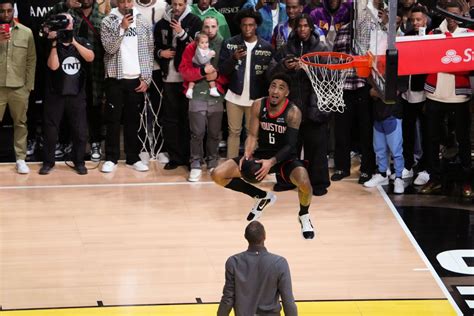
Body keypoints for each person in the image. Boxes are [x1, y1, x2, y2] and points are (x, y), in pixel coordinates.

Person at [211, 73, 315, 239]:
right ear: (268, 88)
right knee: (217, 174)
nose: (275, 90)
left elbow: (290, 146)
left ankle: (304, 215)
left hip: (284, 157)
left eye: (281, 88)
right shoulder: (258, 104)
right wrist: (247, 153)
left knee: (305, 183)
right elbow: (252, 135)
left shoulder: (293, 112)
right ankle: (261, 197)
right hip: (262, 154)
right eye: (273, 86)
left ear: (287, 93)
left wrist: (271, 162)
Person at [271, 14, 330, 196]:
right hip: (291, 108)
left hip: (314, 106)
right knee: (289, 147)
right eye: (299, 26)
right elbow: (270, 73)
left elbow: (329, 75)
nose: (302, 29)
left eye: (306, 26)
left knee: (316, 149)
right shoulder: (286, 48)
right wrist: (284, 66)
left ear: (311, 28)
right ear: (295, 28)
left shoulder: (321, 48)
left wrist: (308, 67)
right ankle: (286, 180)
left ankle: (318, 183)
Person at [46, 0, 106, 162]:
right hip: (70, 70)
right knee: (67, 108)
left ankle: (95, 143)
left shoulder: (101, 19)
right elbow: (47, 20)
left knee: (94, 108)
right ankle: (66, 142)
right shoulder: (69, 15)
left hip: (95, 70)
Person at [101, 0, 154, 172]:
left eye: (129, 1)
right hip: (115, 78)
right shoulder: (108, 21)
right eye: (122, 1)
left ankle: (133, 158)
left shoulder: (143, 21)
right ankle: (111, 158)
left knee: (133, 120)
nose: (126, 4)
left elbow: (149, 49)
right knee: (113, 120)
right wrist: (122, 28)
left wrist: (147, 78)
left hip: (136, 79)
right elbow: (109, 48)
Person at [40, 13, 94, 175]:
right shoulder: (50, 42)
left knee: (80, 131)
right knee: (50, 131)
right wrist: (55, 43)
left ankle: (79, 162)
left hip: (76, 93)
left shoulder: (82, 40)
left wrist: (74, 42)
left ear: (72, 25)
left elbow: (90, 57)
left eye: (67, 22)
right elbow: (53, 66)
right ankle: (48, 162)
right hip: (55, 93)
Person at [218, 9, 274, 158]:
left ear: (256, 26)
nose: (248, 28)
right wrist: (233, 58)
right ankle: (231, 165)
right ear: (240, 25)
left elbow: (270, 75)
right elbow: (222, 70)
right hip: (234, 96)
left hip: (255, 98)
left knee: (252, 133)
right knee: (234, 132)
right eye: (244, 25)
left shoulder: (267, 47)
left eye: (251, 25)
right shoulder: (230, 44)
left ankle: (249, 165)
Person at [154, 0, 202, 170]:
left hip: (188, 79)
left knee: (188, 119)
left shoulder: (194, 21)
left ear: (185, 4)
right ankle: (175, 156)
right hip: (169, 77)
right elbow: (154, 46)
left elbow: (200, 47)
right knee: (170, 119)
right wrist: (161, 53)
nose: (177, 8)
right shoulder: (161, 23)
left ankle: (191, 157)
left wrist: (182, 34)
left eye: (180, 4)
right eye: (174, 4)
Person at [179, 17, 226, 182]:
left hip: (216, 96)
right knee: (197, 133)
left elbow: (228, 72)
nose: (210, 30)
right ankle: (196, 164)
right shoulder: (192, 47)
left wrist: (217, 75)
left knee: (214, 134)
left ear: (218, 27)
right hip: (197, 95)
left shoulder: (223, 45)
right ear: (202, 28)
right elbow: (184, 71)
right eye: (206, 27)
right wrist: (202, 71)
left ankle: (212, 162)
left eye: (213, 26)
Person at [217, 221, 298, 316]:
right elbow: (288, 301)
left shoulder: (233, 262)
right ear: (265, 236)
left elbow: (228, 299)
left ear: (245, 237)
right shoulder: (280, 263)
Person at [0, 0, 36, 174]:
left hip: (19, 87)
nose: (6, 15)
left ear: (13, 11)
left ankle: (20, 159)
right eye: (2, 11)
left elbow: (31, 60)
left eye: (8, 11)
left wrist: (28, 87)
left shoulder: (26, 32)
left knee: (20, 123)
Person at [363, 88, 405, 194]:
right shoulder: (377, 71)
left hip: (393, 114)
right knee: (379, 148)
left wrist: (378, 92)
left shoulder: (400, 72)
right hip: (378, 114)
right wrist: (379, 92)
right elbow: (371, 91)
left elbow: (395, 91)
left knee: (396, 150)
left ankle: (399, 178)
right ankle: (382, 174)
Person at [184, 32, 220, 99]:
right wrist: (210, 55)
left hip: (205, 66)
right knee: (193, 79)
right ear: (198, 43)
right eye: (202, 43)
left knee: (211, 76)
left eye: (206, 42)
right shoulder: (198, 51)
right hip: (197, 65)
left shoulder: (207, 49)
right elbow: (201, 61)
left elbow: (209, 56)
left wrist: (212, 54)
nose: (205, 45)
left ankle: (213, 89)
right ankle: (189, 90)